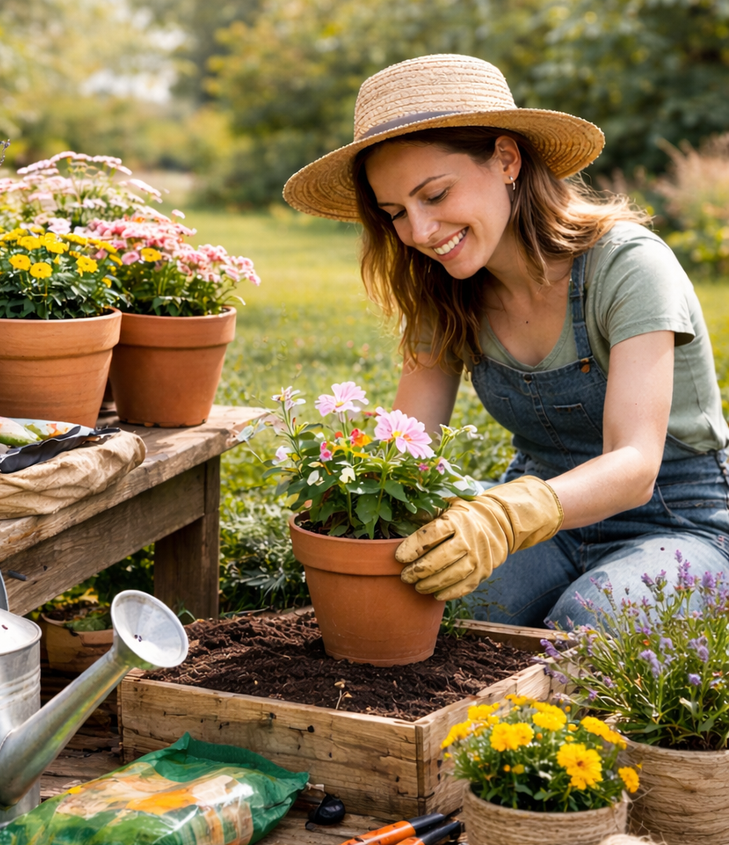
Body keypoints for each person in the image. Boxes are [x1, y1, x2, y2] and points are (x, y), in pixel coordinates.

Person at [283, 54, 729, 628]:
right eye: (395, 212)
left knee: (586, 626)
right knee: (421, 604)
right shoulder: (443, 290)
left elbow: (636, 464)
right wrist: (349, 502)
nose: (419, 233)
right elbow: (407, 448)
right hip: (537, 520)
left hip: (674, 521)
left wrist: (501, 516)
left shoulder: (629, 266)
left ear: (506, 159)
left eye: (435, 195)